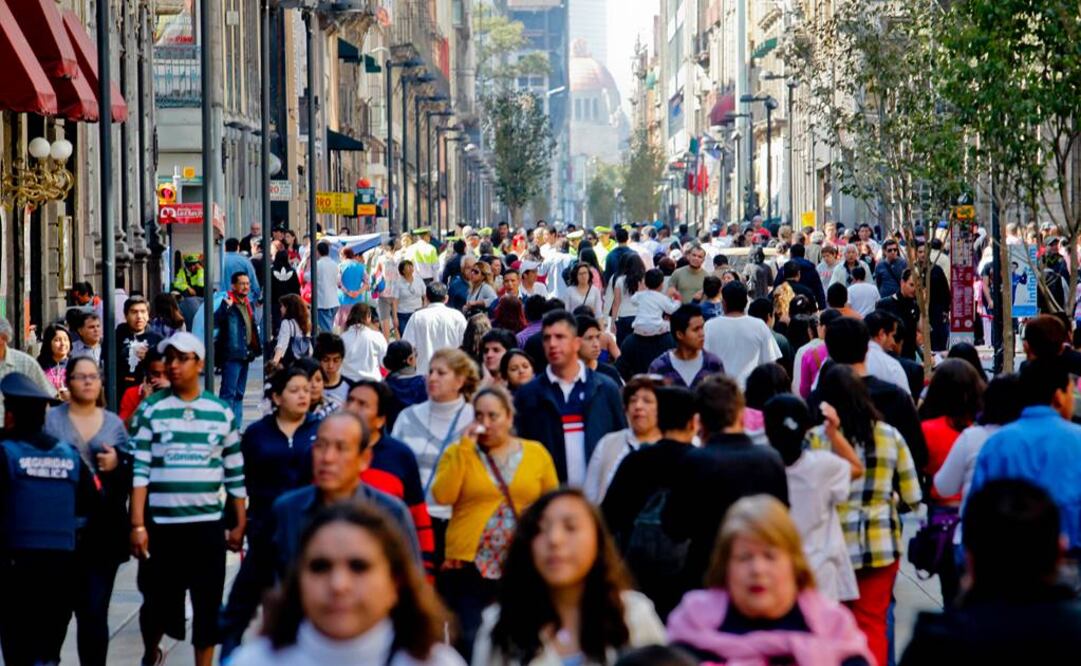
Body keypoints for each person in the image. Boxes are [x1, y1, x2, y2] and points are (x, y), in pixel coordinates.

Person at [129, 332, 247, 666]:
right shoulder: (151, 410)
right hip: (161, 525)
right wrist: (137, 524)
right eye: (170, 359)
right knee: (156, 602)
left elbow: (234, 472)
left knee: (208, 604)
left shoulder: (220, 412)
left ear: (199, 363)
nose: (175, 366)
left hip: (206, 525)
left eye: (183, 359)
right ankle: (151, 651)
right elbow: (140, 470)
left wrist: (239, 522)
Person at [228, 503, 462, 665]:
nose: (338, 585)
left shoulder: (437, 663)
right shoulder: (254, 661)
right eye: (320, 567)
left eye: (359, 566)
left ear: (395, 582)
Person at [806, 364, 922, 666]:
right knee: (873, 624)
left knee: (834, 625)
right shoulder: (890, 436)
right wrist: (891, 500)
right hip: (880, 545)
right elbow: (912, 495)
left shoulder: (816, 439)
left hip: (832, 547)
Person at [431, 386, 559, 658]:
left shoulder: (536, 453)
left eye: (493, 416)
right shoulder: (460, 452)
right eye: (479, 416)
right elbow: (442, 495)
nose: (485, 424)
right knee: (469, 638)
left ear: (509, 418)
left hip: (520, 563)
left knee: (522, 638)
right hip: (468, 565)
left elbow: (551, 505)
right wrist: (465, 447)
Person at [667, 496, 872, 664]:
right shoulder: (693, 620)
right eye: (744, 557)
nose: (757, 570)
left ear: (794, 562)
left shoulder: (832, 626)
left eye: (770, 556)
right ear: (725, 565)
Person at [472, 489, 667, 664]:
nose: (554, 540)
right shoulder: (501, 625)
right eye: (540, 530)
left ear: (598, 540)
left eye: (571, 527)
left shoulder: (633, 615)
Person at [901, 480, 1081, 664]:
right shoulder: (1072, 633)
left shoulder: (934, 646)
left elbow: (943, 484)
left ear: (969, 558)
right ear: (1060, 550)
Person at [219, 367, 320, 657]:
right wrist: (236, 522)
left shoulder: (319, 430)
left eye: (306, 389)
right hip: (264, 530)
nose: (303, 395)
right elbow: (240, 480)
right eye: (294, 390)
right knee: (242, 604)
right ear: (276, 396)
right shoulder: (257, 433)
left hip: (308, 532)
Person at [0, 372, 99, 666]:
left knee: (18, 648)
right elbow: (93, 504)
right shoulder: (68, 454)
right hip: (62, 568)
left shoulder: (6, 454)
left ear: (11, 416)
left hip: (15, 569)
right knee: (49, 649)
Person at [664, 374, 789, 602]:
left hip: (707, 573)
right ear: (741, 413)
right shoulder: (771, 459)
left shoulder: (695, 462)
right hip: (760, 574)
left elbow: (675, 526)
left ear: (699, 420)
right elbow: (783, 517)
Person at [40, 358, 131, 665]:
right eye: (81, 377)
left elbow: (128, 478)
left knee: (93, 613)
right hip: (58, 532)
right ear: (69, 381)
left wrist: (116, 464)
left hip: (100, 533)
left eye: (93, 377)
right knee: (54, 614)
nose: (88, 382)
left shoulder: (112, 424)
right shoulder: (51, 421)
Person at [266, 412, 420, 580]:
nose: (328, 458)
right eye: (321, 446)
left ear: (364, 459)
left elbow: (411, 585)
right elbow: (249, 590)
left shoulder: (391, 512)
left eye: (341, 448)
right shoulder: (286, 511)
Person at [601, 386, 697, 619]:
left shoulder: (635, 462)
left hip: (638, 574)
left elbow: (608, 519)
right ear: (693, 422)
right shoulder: (702, 463)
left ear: (659, 420)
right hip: (690, 576)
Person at [969, 359, 1081, 553]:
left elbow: (976, 512)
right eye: (1071, 392)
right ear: (1059, 396)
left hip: (1008, 558)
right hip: (1071, 559)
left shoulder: (996, 443)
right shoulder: (1077, 439)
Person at [764, 394, 861, 603]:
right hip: (820, 573)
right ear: (807, 429)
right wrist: (833, 434)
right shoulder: (823, 466)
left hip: (773, 573)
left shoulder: (758, 468)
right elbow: (856, 468)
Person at [514, 310, 627, 485]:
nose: (552, 344)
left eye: (560, 337)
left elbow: (621, 443)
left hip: (599, 498)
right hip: (550, 497)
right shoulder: (528, 394)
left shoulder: (605, 389)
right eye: (547, 338)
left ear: (576, 343)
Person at [809, 316, 929, 476]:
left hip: (831, 495)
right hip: (889, 489)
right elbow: (918, 454)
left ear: (829, 351)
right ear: (867, 349)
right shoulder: (895, 396)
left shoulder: (817, 401)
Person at [391, 348, 477, 562]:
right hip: (416, 522)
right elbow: (396, 469)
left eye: (441, 372)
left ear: (460, 380)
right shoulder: (407, 417)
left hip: (461, 523)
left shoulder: (475, 419)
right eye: (431, 371)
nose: (433, 377)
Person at [344, 380, 436, 578]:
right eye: (349, 401)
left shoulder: (399, 456)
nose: (352, 408)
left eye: (362, 404)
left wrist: (425, 574)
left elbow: (418, 516)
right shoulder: (322, 451)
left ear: (380, 419)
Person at [583, 376, 663, 504]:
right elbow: (590, 497)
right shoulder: (608, 443)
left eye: (647, 401)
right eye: (633, 400)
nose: (638, 406)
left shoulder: (673, 445)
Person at [703, 281, 781, 386]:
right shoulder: (759, 326)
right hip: (752, 392)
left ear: (724, 303)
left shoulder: (710, 326)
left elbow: (703, 363)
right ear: (745, 302)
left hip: (720, 392)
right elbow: (771, 363)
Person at [215, 272, 262, 426]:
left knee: (239, 393)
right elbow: (215, 320)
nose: (246, 287)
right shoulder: (228, 302)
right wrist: (225, 307)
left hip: (245, 353)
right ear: (233, 286)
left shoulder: (247, 304)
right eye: (242, 283)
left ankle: (237, 427)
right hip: (232, 354)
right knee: (228, 393)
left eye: (247, 284)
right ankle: (225, 427)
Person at [648, 305, 725, 389]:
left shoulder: (713, 364)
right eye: (696, 329)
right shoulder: (660, 367)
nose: (702, 334)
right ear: (680, 334)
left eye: (702, 328)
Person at [402, 282, 469, 376]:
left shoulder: (417, 317)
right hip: (452, 373)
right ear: (446, 298)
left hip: (424, 374)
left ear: (426, 298)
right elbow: (466, 343)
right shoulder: (457, 316)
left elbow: (407, 346)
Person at [116, 296, 164, 396]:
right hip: (120, 392)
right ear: (126, 315)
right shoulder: (115, 337)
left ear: (148, 315)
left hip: (150, 392)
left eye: (143, 311)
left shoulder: (158, 339)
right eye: (134, 312)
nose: (139, 316)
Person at [862, 310, 912, 394]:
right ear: (882, 334)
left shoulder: (848, 359)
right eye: (892, 335)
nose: (893, 342)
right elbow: (905, 400)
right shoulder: (891, 366)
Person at [876, 268, 921, 359]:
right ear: (902, 282)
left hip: (910, 355)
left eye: (917, 286)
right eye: (911, 285)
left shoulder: (915, 305)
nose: (914, 289)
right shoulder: (884, 304)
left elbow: (921, 330)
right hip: (890, 356)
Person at [383, 340, 428, 430]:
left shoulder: (383, 387)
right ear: (410, 360)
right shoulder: (425, 384)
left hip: (392, 436)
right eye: (415, 354)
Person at [119, 349, 170, 425]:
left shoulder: (178, 392)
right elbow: (125, 428)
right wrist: (144, 402)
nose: (161, 378)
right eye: (156, 374)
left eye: (166, 373)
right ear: (147, 374)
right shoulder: (132, 393)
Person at [339, 303, 388, 382]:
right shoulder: (377, 336)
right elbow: (385, 362)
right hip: (372, 383)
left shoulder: (342, 338)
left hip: (347, 383)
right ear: (368, 317)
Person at [576, 314, 623, 388]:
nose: (596, 344)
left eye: (597, 337)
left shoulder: (609, 373)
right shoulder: (562, 374)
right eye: (589, 338)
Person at [610, 254, 646, 345]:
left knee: (623, 346)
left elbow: (616, 303)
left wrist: (613, 321)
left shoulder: (620, 280)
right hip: (640, 316)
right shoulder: (644, 280)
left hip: (624, 317)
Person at [274, 294, 313, 367]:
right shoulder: (306, 323)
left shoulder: (286, 323)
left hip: (290, 365)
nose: (281, 309)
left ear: (288, 307)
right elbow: (309, 348)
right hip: (304, 365)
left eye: (282, 306)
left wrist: (274, 363)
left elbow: (282, 345)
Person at [313, 333, 353, 405]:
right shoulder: (309, 385)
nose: (331, 366)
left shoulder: (350, 388)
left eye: (336, 360)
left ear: (341, 360)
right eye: (326, 360)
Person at [392, 258, 427, 336]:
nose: (411, 268)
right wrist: (395, 317)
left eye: (411, 266)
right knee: (405, 336)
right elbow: (395, 301)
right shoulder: (398, 283)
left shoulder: (418, 280)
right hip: (403, 314)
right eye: (408, 267)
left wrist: (424, 307)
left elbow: (425, 296)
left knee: (418, 336)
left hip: (417, 312)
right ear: (403, 271)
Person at [37, 323, 72, 399]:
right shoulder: (39, 365)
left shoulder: (76, 365)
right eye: (57, 340)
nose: (63, 344)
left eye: (66, 340)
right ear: (48, 342)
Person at [312, 242, 341, 333]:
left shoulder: (318, 265)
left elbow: (307, 277)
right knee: (328, 327)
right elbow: (338, 281)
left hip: (323, 303)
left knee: (326, 330)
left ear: (317, 251)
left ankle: (330, 346)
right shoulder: (334, 264)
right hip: (334, 301)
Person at [270, 250, 301, 334]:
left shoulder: (271, 271)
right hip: (290, 302)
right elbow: (296, 287)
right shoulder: (292, 271)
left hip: (275, 302)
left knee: (277, 324)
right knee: (290, 323)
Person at [222, 237, 261, 302]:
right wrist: (256, 295)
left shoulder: (219, 261)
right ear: (238, 247)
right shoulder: (245, 260)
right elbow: (252, 279)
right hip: (243, 299)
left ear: (225, 247)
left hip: (224, 298)